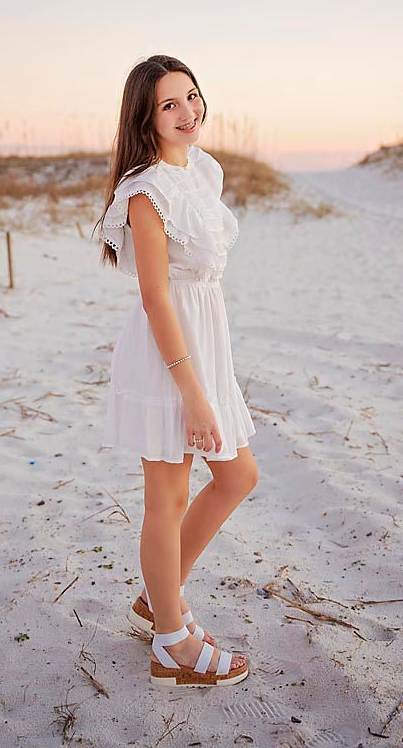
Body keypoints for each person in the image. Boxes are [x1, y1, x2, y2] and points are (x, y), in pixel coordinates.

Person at [95, 54, 258, 688]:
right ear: (146, 117)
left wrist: (210, 376)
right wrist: (192, 392)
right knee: (167, 497)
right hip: (169, 356)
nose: (188, 112)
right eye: (170, 104)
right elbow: (157, 298)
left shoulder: (203, 172)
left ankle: (158, 597)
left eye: (192, 96)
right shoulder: (145, 191)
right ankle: (171, 642)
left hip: (207, 346)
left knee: (238, 474)